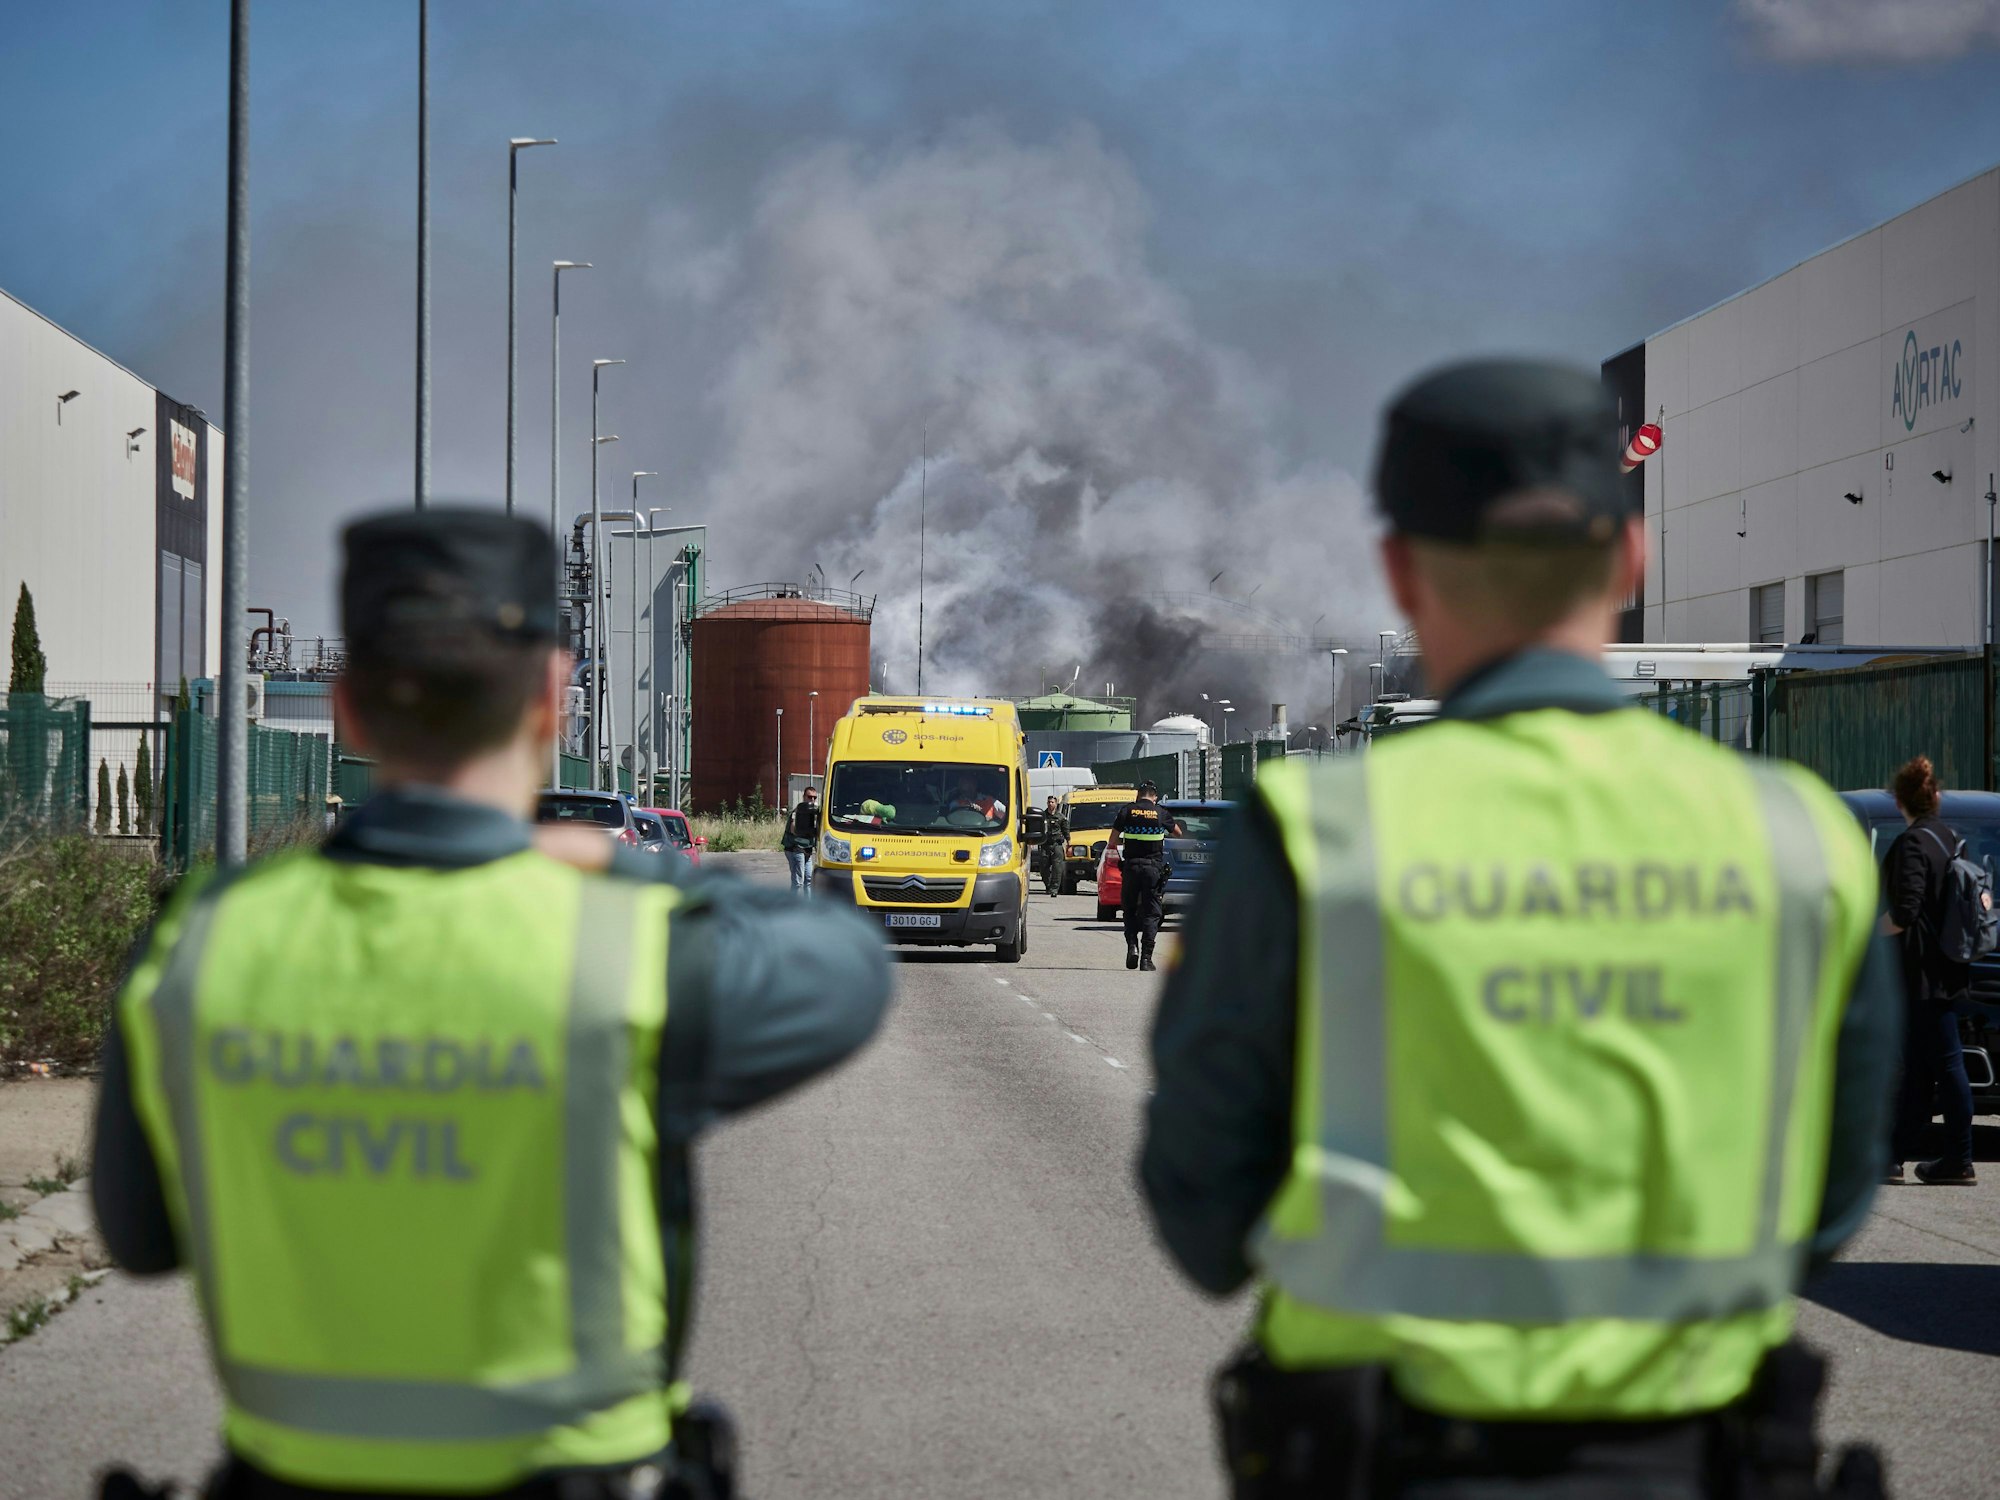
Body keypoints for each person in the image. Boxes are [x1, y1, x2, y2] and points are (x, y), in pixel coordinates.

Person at [1141, 359, 1899, 1499]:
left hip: (1379, 1459)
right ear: (1627, 560)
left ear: (1400, 571)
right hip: (1695, 1460)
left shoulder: (1313, 836)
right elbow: (1833, 1197)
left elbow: (1201, 1208)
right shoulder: (1799, 843)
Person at [91, 509, 893, 1500]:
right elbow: (851, 958)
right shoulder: (619, 948)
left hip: (285, 1478)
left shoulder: (198, 946)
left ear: (345, 708)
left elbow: (137, 1239)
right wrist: (615, 857)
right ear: (553, 697)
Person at [1880, 754, 1978, 1186]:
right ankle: (1892, 1157)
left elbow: (1904, 911)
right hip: (1949, 968)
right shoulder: (1948, 837)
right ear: (1933, 798)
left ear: (1900, 801)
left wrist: (1865, 935)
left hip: (1921, 975)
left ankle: (1959, 1158)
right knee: (1920, 1070)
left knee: (1947, 1065)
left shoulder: (1913, 844)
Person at [1109, 780, 1183, 972]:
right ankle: (1146, 959)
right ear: (1154, 797)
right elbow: (1178, 833)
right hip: (1152, 869)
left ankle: (1132, 945)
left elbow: (1112, 841)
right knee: (1152, 913)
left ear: (1138, 795)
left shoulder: (1127, 811)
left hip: (1131, 867)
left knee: (1129, 909)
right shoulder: (1161, 813)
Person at [784, 783, 822, 895]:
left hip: (807, 849)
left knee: (809, 880)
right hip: (796, 848)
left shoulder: (813, 813)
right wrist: (808, 831)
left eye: (814, 797)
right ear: (804, 797)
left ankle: (808, 907)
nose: (812, 799)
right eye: (809, 797)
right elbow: (793, 830)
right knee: (798, 882)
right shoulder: (798, 812)